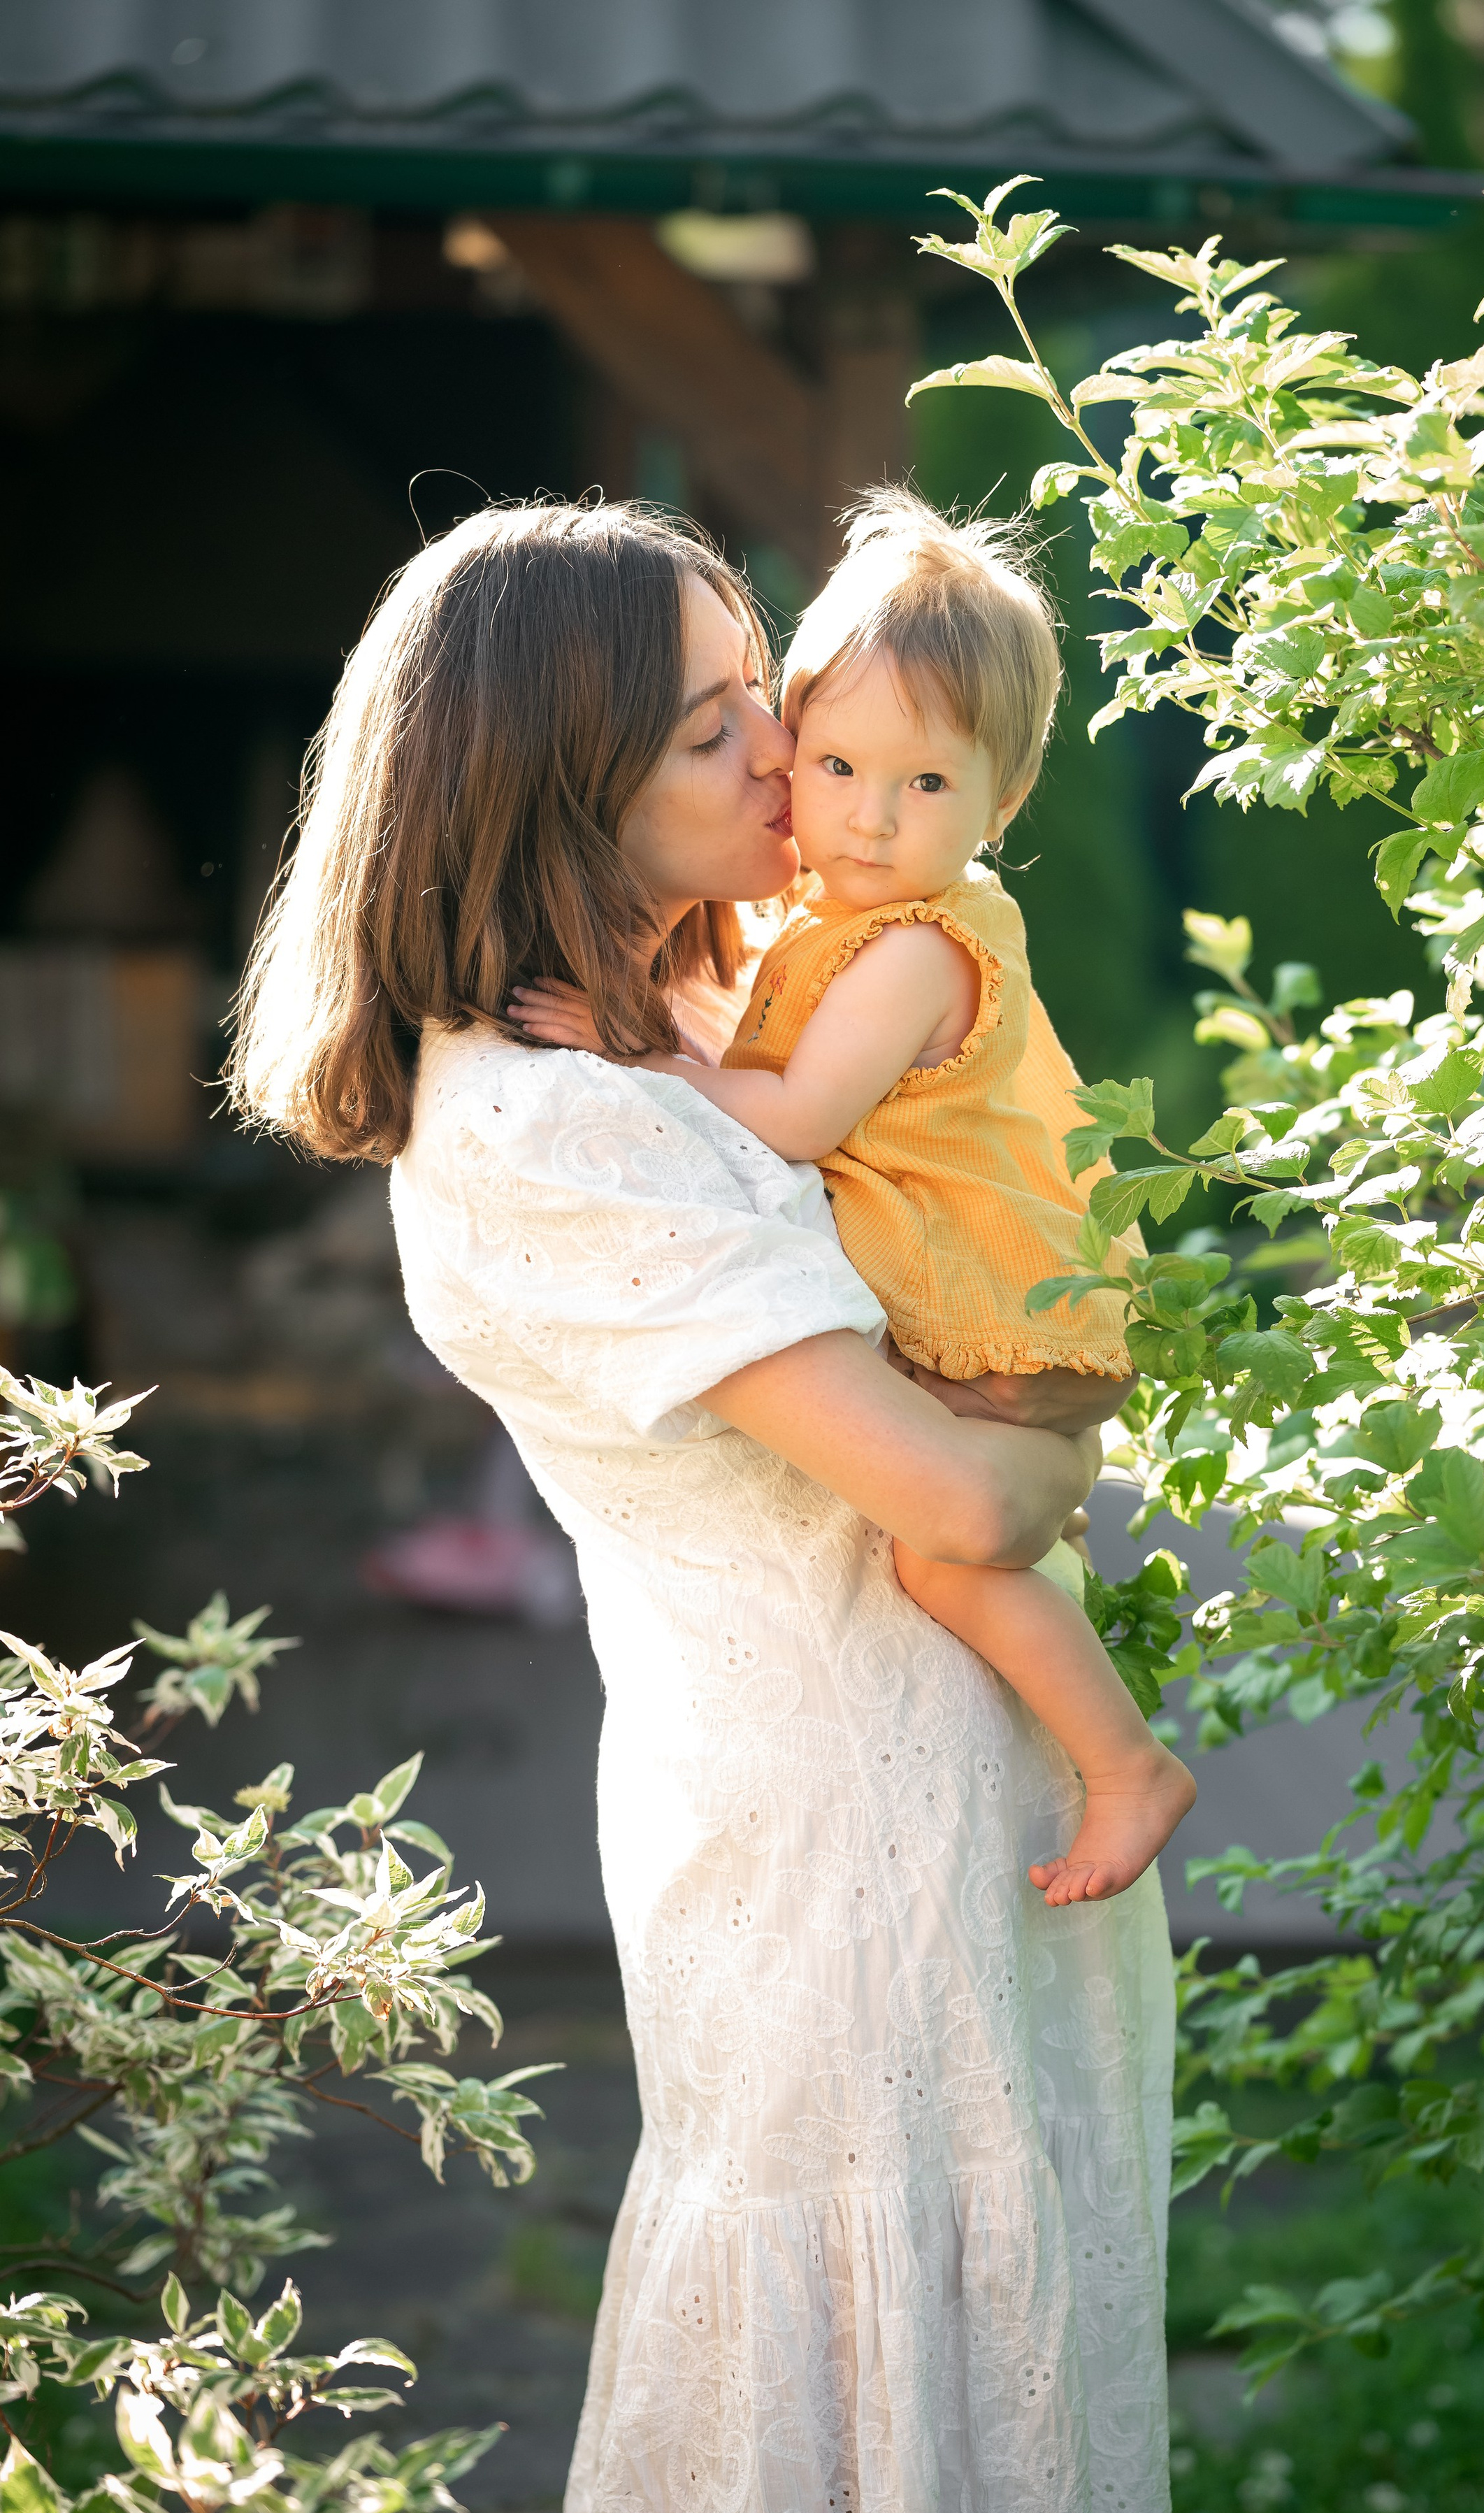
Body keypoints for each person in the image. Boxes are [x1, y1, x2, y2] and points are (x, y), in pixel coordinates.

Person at [229, 500, 1177, 2513]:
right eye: (711, 725)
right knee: (752, 2499)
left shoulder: (700, 1001)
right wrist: (1071, 1440)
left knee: (842, 2472)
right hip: (834, 1842)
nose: (790, 749)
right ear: (562, 788)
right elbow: (955, 1489)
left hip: (926, 1806)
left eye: (765, 681)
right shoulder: (562, 1122)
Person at [511, 490, 1195, 1907]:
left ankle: (1127, 1766)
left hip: (1000, 1324)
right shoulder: (843, 919)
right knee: (963, 1551)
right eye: (832, 763)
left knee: (942, 1565)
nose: (869, 819)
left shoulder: (913, 951)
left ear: (1003, 799)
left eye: (927, 786)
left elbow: (800, 1114)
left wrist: (627, 1055)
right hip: (984, 1310)